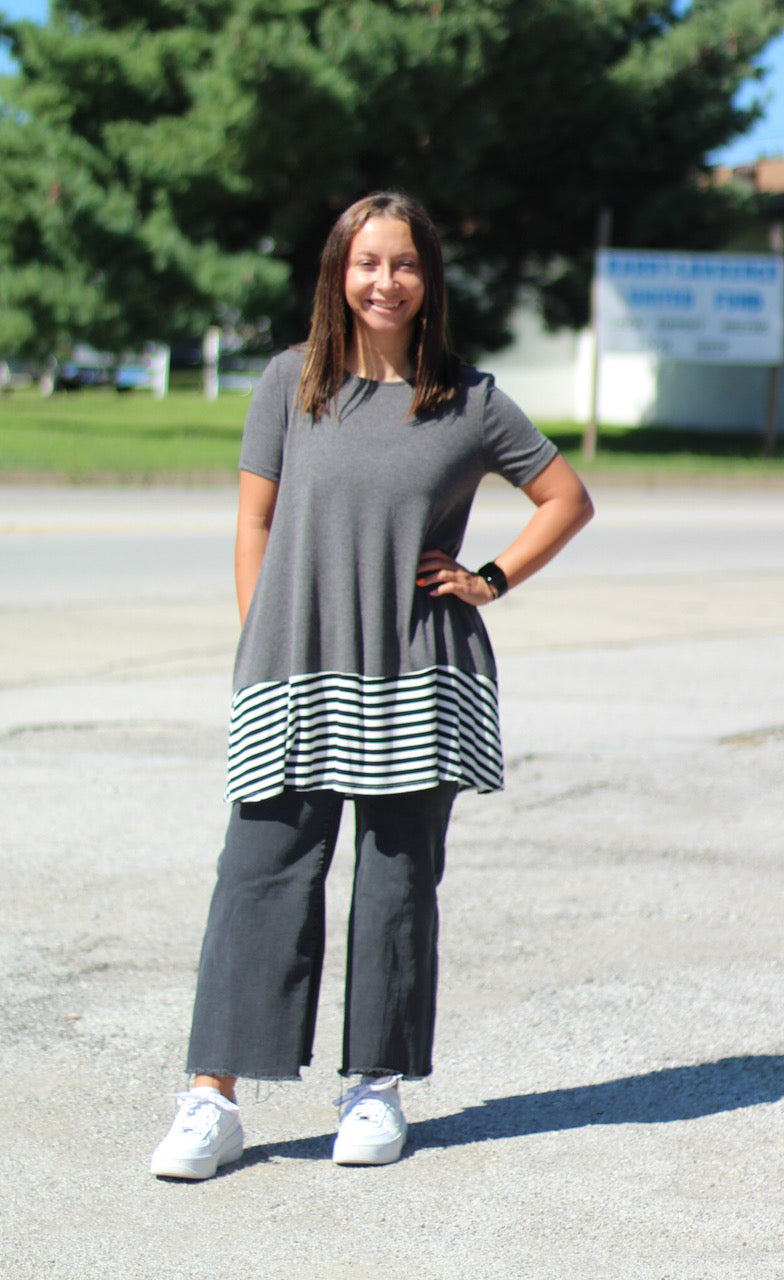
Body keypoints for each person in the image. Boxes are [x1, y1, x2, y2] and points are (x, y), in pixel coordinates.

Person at [150, 191, 593, 1179]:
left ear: (428, 278)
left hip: (414, 675)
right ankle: (212, 1098)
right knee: (258, 874)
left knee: (396, 886)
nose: (383, 280)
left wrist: (488, 579)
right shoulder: (288, 385)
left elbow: (567, 497)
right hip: (296, 668)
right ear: (337, 274)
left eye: (403, 263)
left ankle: (375, 1086)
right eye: (366, 262)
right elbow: (253, 526)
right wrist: (260, 637)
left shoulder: (470, 400)